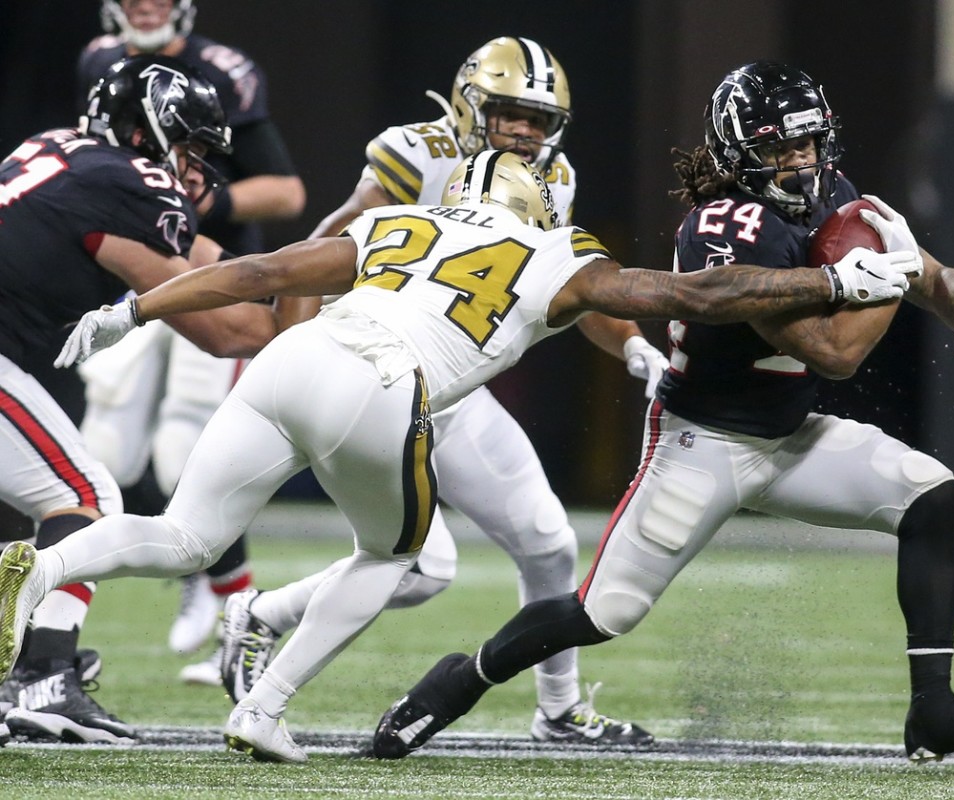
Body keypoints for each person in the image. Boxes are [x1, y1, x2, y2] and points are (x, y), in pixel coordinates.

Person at [0, 148, 919, 763]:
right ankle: (263, 708)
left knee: (186, 535)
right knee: (394, 556)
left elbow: (264, 272)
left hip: (288, 362)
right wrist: (830, 279)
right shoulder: (555, 253)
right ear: (539, 205)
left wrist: (132, 311)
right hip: (381, 384)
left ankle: (38, 574)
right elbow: (696, 292)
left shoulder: (396, 225)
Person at [366, 61, 954, 765]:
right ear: (739, 152)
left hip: (790, 437)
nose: (799, 162)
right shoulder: (724, 225)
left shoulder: (839, 200)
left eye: (807, 145)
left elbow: (937, 275)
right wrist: (881, 280)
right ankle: (456, 683)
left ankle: (934, 710)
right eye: (780, 148)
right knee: (604, 611)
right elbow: (832, 352)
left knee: (930, 494)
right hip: (702, 443)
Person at [219, 35, 670, 746]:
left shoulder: (555, 182)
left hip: (452, 389)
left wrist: (636, 344)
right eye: (510, 113)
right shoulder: (421, 154)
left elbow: (568, 289)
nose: (526, 131)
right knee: (421, 570)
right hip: (370, 375)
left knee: (549, 542)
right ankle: (263, 617)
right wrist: (286, 358)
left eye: (540, 119)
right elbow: (326, 246)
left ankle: (558, 711)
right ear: (469, 105)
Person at [0, 54, 282, 744]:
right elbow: (223, 331)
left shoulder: (61, 151)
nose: (192, 170)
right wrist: (303, 305)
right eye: (186, 148)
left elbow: (200, 261)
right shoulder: (132, 184)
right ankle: (44, 676)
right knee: (88, 497)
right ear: (147, 132)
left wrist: (285, 269)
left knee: (41, 504)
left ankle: (34, 672)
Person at [77, 0, 307, 675]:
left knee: (184, 457)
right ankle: (49, 636)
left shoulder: (221, 73)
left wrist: (204, 201)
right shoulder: (98, 59)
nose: (145, 8)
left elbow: (287, 193)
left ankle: (232, 600)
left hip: (210, 270)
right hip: (134, 265)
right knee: (102, 457)